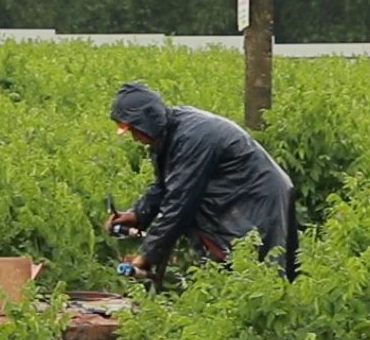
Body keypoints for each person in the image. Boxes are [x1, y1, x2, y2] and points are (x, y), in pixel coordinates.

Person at [104, 81, 297, 280]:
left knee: (255, 268)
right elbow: (164, 185)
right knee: (231, 264)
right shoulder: (169, 135)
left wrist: (146, 256)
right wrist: (137, 214)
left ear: (147, 121)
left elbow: (179, 204)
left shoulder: (191, 138)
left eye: (134, 129)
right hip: (235, 194)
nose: (134, 137)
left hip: (257, 195)